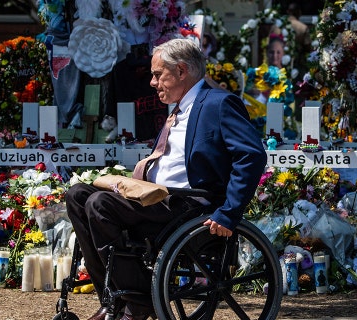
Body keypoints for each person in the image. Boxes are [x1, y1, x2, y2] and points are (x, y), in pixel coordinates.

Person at [66, 38, 266, 320]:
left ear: (182, 71)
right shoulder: (179, 110)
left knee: (100, 204)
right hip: (158, 197)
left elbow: (252, 156)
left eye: (158, 74)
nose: (151, 82)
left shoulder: (219, 103)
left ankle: (137, 300)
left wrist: (229, 212)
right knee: (77, 195)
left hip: (189, 204)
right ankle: (113, 300)